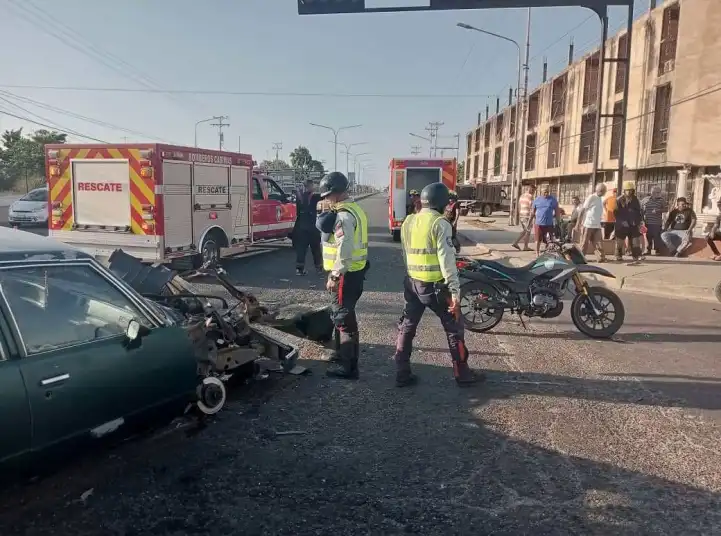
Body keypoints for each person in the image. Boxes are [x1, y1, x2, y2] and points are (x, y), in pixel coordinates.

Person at [393, 182, 482, 387]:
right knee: (454, 327)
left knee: (407, 327)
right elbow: (447, 262)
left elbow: (405, 254)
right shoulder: (440, 224)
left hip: (412, 283)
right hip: (435, 286)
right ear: (441, 203)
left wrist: (412, 277)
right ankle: (463, 373)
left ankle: (402, 373)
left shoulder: (408, 221)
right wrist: (455, 295)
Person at [317, 171, 370, 380]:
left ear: (337, 194)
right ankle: (341, 356)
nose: (326, 199)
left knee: (343, 318)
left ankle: (348, 367)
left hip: (345, 274)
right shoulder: (355, 209)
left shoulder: (344, 215)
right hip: (355, 271)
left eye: (328, 195)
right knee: (343, 314)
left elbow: (345, 247)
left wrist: (335, 274)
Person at [292, 179, 323, 276]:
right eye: (312, 186)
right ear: (310, 186)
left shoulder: (299, 196)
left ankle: (299, 269)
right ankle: (319, 268)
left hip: (301, 226)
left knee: (301, 249)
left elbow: (297, 211)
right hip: (313, 226)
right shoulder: (316, 197)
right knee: (316, 248)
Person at [576, 183, 607, 262]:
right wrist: (578, 224)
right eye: (604, 191)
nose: (605, 192)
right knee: (584, 243)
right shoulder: (591, 197)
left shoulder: (600, 198)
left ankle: (601, 258)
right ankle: (580, 258)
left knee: (599, 242)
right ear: (600, 191)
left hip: (597, 225)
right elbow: (582, 210)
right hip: (588, 224)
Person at [613, 181, 643, 262]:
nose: (629, 192)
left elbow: (638, 211)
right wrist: (622, 221)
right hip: (622, 225)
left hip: (633, 224)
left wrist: (639, 222)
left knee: (635, 241)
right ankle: (618, 256)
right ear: (624, 190)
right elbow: (616, 213)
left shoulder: (635, 199)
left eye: (631, 190)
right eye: (627, 190)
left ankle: (636, 256)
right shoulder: (619, 200)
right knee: (619, 241)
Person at [531, 185, 560, 256]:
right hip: (539, 224)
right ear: (541, 192)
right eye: (544, 192)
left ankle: (547, 253)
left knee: (549, 240)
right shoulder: (537, 200)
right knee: (538, 240)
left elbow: (557, 211)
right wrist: (530, 222)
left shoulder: (553, 200)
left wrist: (558, 222)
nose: (546, 194)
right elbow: (532, 212)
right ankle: (537, 253)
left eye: (547, 192)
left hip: (549, 224)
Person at [640, 186, 667, 256]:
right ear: (652, 193)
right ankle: (648, 250)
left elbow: (666, 209)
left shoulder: (662, 200)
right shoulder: (645, 199)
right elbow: (640, 208)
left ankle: (657, 250)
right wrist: (642, 217)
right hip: (647, 222)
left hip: (657, 223)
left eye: (659, 192)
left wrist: (658, 210)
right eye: (657, 192)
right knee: (648, 236)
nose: (658, 194)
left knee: (657, 237)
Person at [511, 184, 535, 251]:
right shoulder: (530, 196)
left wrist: (519, 214)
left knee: (525, 230)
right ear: (530, 189)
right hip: (527, 216)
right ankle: (525, 246)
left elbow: (518, 206)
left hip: (522, 215)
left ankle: (516, 243)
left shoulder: (521, 196)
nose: (533, 191)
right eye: (533, 190)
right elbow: (532, 207)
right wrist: (533, 216)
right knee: (528, 231)